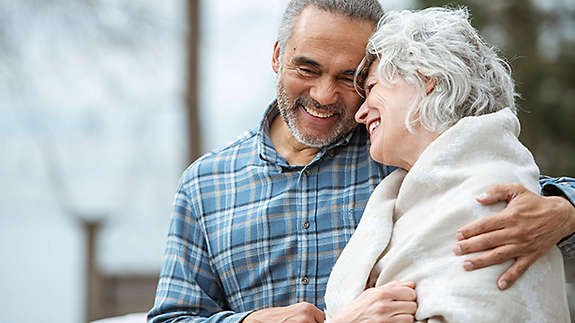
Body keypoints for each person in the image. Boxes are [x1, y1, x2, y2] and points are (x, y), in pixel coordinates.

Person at [148, 1, 575, 322]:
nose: (323, 95)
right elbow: (171, 316)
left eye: (349, 79)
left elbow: (496, 175)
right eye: (307, 68)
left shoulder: (397, 151)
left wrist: (564, 210)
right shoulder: (206, 183)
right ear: (278, 56)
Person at [324, 7, 569, 322]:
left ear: (426, 79)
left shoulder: (491, 192)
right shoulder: (418, 194)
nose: (360, 113)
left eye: (372, 89)